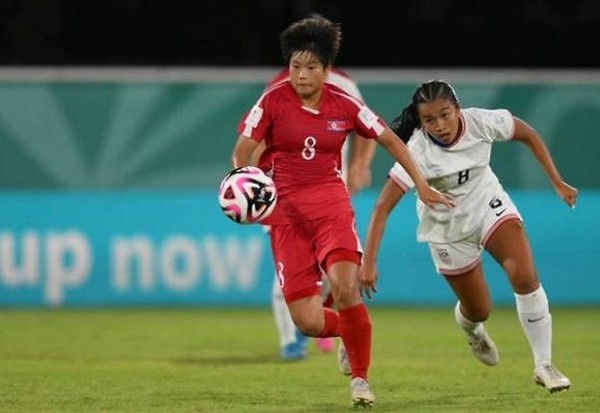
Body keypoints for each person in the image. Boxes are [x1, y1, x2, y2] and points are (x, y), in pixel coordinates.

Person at [230, 17, 452, 408]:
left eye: (311, 67)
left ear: (327, 69)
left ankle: (361, 382)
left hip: (331, 206)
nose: (301, 74)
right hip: (286, 215)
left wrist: (419, 183)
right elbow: (244, 148)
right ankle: (352, 331)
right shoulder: (272, 100)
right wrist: (244, 182)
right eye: (296, 66)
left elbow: (389, 139)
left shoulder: (345, 104)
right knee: (309, 321)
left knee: (345, 286)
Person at [358, 79, 577, 394]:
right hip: (447, 228)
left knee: (524, 276)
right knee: (479, 309)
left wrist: (557, 181)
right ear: (420, 122)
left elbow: (527, 133)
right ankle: (472, 328)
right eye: (430, 119)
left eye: (445, 114)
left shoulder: (481, 122)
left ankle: (544, 365)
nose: (440, 125)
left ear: (457, 109)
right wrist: (369, 262)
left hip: (488, 206)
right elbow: (381, 206)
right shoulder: (417, 149)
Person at [256, 66, 376, 361]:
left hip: (329, 193)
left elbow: (368, 128)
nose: (302, 71)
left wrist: (360, 164)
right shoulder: (278, 86)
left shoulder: (343, 84)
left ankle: (333, 326)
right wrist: (256, 178)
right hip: (284, 195)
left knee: (330, 274)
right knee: (286, 277)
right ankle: (291, 342)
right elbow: (258, 132)